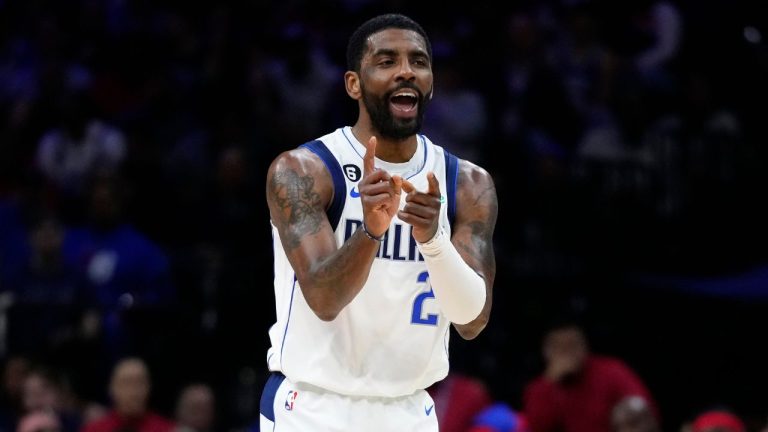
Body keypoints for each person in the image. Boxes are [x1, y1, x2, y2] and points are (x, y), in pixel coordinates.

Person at [261, 13, 497, 432]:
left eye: (418, 62)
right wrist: (370, 231)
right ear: (353, 83)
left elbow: (472, 321)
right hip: (314, 407)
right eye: (387, 61)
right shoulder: (305, 171)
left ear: (431, 82)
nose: (406, 71)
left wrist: (434, 242)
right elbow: (324, 299)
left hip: (409, 410)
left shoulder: (467, 183)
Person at [523, 319, 659, 432]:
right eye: (560, 347)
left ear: (585, 345)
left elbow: (643, 406)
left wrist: (631, 411)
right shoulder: (539, 388)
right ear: (546, 351)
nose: (567, 353)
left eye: (573, 345)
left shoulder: (611, 371)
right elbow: (537, 427)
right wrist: (550, 385)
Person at [80, 357, 175, 432]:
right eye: (126, 383)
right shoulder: (94, 430)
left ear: (149, 387)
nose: (134, 391)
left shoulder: (168, 429)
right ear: (111, 389)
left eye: (140, 382)